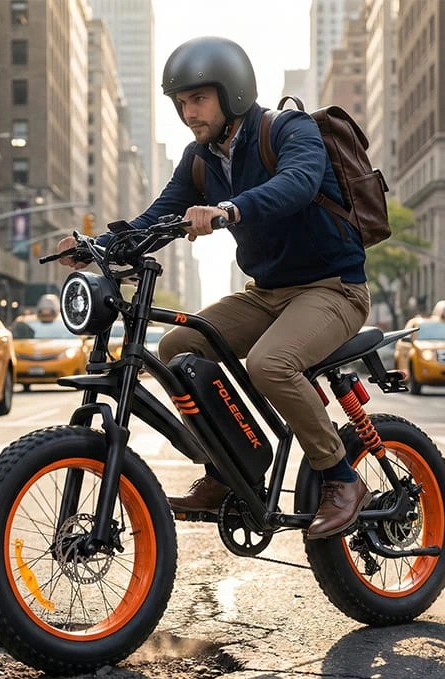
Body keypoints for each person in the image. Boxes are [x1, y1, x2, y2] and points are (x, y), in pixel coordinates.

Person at [57, 36, 371, 540]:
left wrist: (230, 209)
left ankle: (341, 478)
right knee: (179, 344)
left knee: (271, 363)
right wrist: (97, 245)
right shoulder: (200, 158)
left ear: (233, 93)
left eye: (198, 99)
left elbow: (300, 182)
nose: (188, 113)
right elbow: (156, 216)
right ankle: (230, 468)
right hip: (266, 293)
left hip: (333, 289)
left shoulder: (289, 129)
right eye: (180, 103)